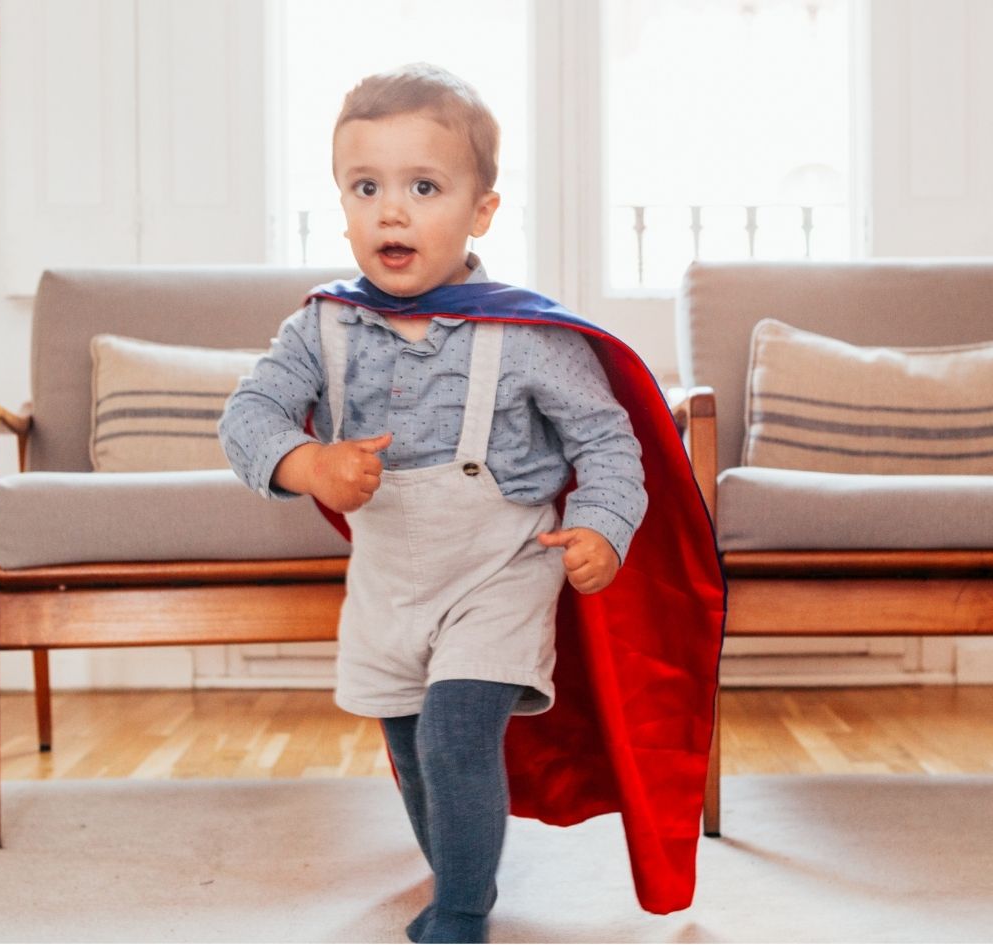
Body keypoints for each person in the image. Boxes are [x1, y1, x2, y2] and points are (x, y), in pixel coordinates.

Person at [219, 62, 645, 944]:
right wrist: (307, 463)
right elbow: (248, 414)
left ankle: (460, 908)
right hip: (388, 583)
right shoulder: (321, 327)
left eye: (424, 186)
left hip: (499, 571)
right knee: (413, 753)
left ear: (481, 210)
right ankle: (459, 864)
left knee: (455, 733)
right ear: (341, 205)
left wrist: (605, 525)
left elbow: (607, 439)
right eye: (365, 186)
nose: (392, 211)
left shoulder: (525, 336)